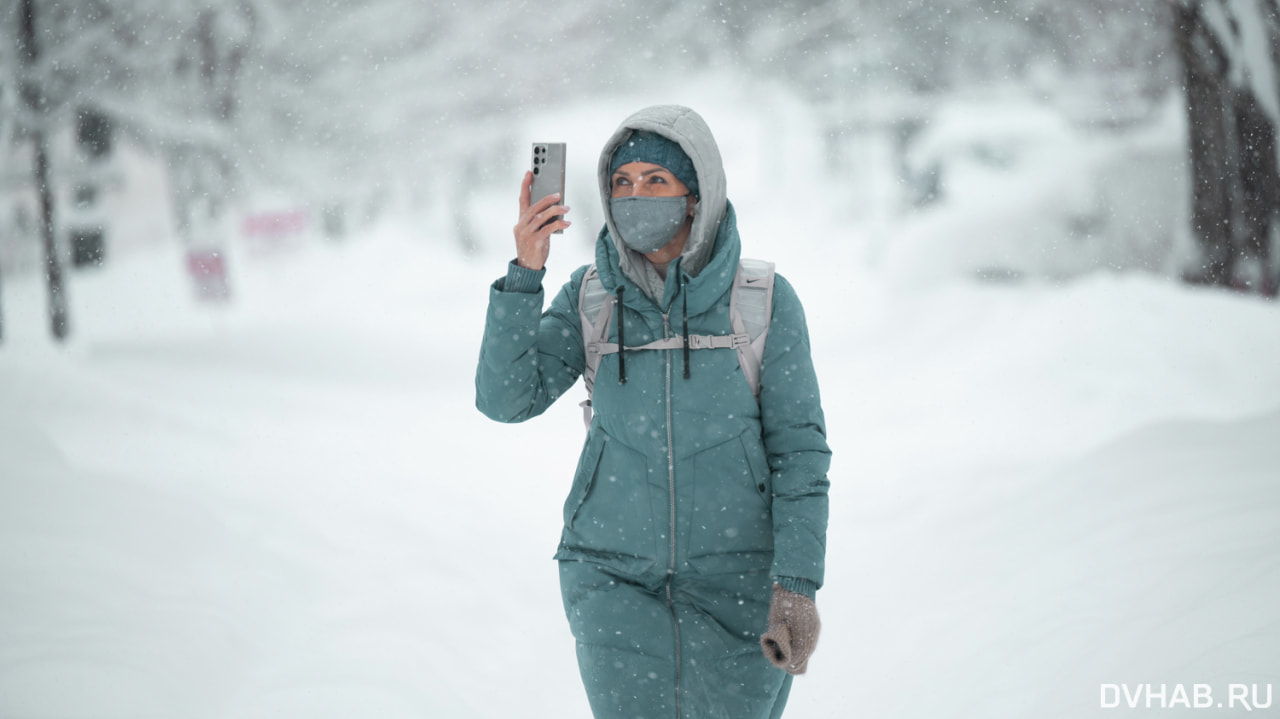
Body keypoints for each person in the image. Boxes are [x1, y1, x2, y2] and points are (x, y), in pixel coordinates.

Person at [475, 105, 830, 719]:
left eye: (655, 181)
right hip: (611, 575)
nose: (635, 196)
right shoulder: (591, 296)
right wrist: (526, 272)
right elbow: (506, 400)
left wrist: (796, 585)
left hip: (738, 582)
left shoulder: (762, 301)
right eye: (622, 183)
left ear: (696, 197)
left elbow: (799, 455)